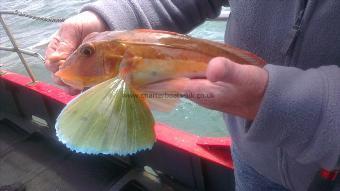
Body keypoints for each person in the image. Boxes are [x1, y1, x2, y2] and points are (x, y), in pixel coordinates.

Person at [45, 1, 340, 190]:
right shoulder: (121, 60)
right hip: (251, 155)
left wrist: (292, 106)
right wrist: (108, 20)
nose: (83, 55)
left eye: (88, 52)